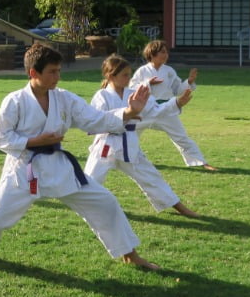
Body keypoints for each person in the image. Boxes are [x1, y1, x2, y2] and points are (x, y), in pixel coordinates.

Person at [0, 43, 159, 271]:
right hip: (25, 168)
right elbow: (1, 138)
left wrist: (129, 112)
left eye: (59, 71)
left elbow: (94, 119)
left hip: (59, 166)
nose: (58, 76)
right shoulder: (14, 101)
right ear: (33, 73)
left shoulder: (64, 98)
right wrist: (34, 141)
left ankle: (130, 254)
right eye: (52, 72)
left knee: (106, 202)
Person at [84, 54, 199, 218]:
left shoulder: (136, 93)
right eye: (124, 75)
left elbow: (156, 111)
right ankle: (88, 207)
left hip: (129, 145)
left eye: (129, 74)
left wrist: (177, 103)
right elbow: (96, 121)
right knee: (91, 178)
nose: (128, 78)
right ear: (111, 76)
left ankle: (180, 208)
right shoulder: (101, 96)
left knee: (151, 177)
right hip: (106, 145)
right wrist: (126, 115)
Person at [129, 40, 216, 170]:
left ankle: (200, 162)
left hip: (167, 109)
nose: (166, 55)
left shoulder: (169, 71)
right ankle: (127, 158)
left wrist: (189, 81)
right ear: (152, 54)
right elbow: (131, 88)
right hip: (146, 109)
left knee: (181, 137)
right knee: (130, 131)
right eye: (162, 52)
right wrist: (148, 83)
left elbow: (177, 89)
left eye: (167, 52)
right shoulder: (142, 71)